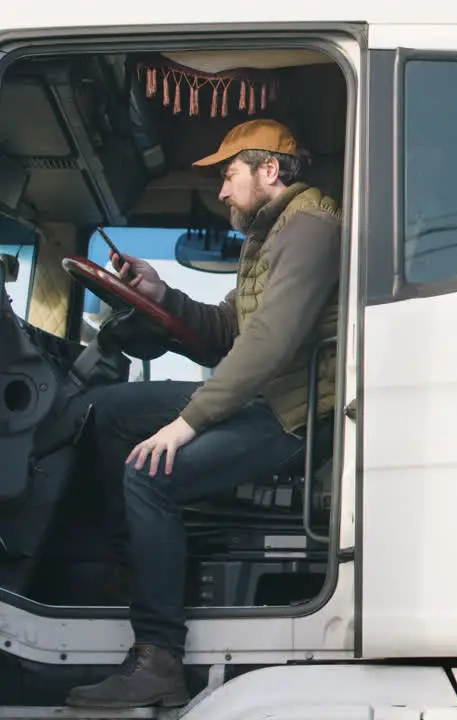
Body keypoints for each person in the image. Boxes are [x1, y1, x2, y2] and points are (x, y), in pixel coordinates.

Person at [65, 118, 342, 709]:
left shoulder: (312, 227)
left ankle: (159, 656)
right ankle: (135, 568)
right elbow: (227, 330)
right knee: (108, 410)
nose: (221, 191)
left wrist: (186, 423)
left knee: (149, 472)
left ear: (269, 170)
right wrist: (160, 294)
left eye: (228, 174)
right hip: (267, 400)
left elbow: (268, 343)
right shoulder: (269, 235)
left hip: (296, 418)